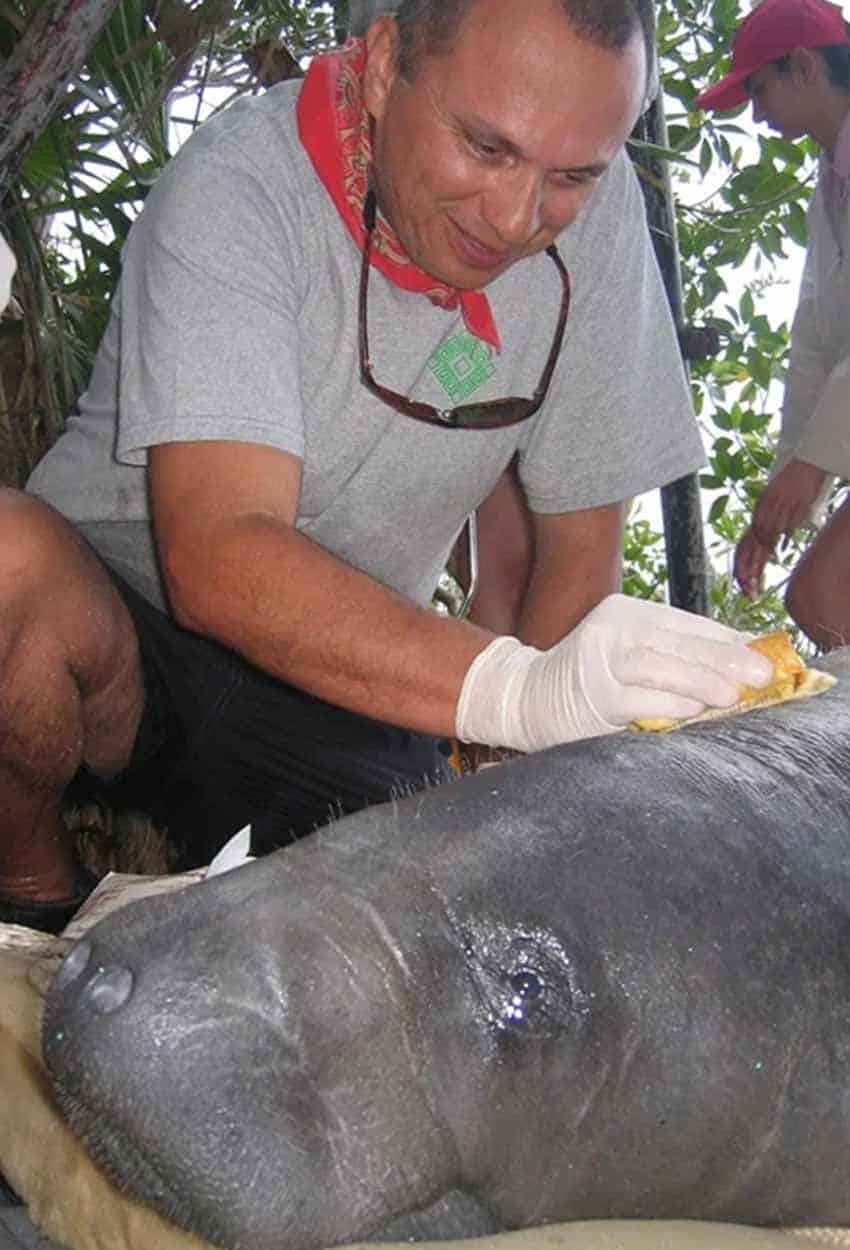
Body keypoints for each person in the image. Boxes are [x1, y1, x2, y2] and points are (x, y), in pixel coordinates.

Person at [1, 0, 772, 933]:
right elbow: (218, 554)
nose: (519, 217)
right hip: (127, 636)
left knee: (455, 940)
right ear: (380, 66)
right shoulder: (242, 187)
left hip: (359, 686)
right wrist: (518, 690)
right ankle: (31, 900)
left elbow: (577, 555)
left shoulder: (593, 233)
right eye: (486, 148)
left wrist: (511, 762)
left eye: (571, 175)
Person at [698, 0, 850, 650]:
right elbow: (816, 345)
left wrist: (813, 464)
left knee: (824, 597)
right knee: (821, 601)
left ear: (805, 66)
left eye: (759, 88)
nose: (755, 114)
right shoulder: (832, 183)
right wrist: (783, 491)